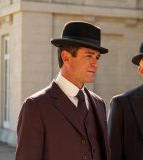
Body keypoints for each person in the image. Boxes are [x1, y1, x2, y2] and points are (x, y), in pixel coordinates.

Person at [16, 21, 110, 160]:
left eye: (97, 57)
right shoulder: (36, 106)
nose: (95, 63)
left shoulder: (98, 103)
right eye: (88, 56)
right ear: (66, 57)